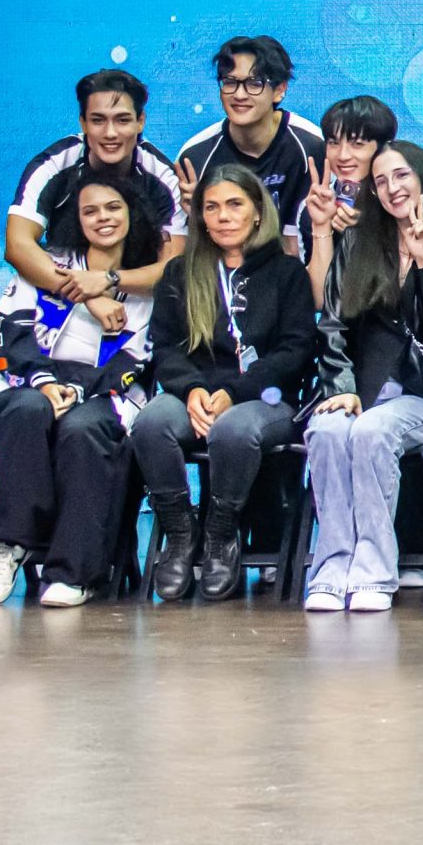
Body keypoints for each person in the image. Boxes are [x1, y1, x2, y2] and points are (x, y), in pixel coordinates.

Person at [0, 167, 163, 607]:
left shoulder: (145, 281)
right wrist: (44, 382)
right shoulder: (47, 266)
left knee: (82, 428)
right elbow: (11, 328)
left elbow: (140, 356)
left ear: (132, 213)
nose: (103, 218)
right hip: (28, 382)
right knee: (27, 410)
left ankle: (74, 573)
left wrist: (75, 392)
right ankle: (11, 544)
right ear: (76, 218)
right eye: (90, 211)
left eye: (113, 208)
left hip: (108, 394)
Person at [305, 140, 423, 613]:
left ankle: (374, 571)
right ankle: (332, 566)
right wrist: (342, 389)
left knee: (372, 431)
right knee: (326, 429)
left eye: (401, 175)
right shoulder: (357, 243)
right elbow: (332, 325)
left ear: (422, 178)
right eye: (380, 181)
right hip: (359, 391)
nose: (392, 188)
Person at [133, 165, 319, 602]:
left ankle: (221, 535)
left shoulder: (287, 272)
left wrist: (235, 393)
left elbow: (295, 351)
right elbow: (165, 347)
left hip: (265, 398)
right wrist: (192, 389)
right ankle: (181, 535)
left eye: (235, 204)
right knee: (150, 424)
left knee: (233, 430)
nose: (223, 216)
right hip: (193, 395)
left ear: (258, 212)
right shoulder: (180, 272)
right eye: (211, 207)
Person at [4, 67, 185, 333]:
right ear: (83, 123)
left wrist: (108, 280)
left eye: (122, 120)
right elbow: (17, 245)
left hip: (134, 298)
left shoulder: (161, 177)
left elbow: (172, 268)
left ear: (140, 122)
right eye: (98, 120)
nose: (110, 133)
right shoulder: (55, 164)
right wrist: (87, 294)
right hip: (62, 292)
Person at [173, 35, 326, 255]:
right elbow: (188, 250)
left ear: (279, 90)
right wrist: (199, 214)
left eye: (254, 84)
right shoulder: (196, 156)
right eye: (230, 82)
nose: (239, 94)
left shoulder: (311, 145)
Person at [302, 94, 398, 308]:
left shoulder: (402, 201)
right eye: (334, 143)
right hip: (341, 326)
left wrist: (365, 230)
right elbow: (320, 301)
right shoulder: (317, 206)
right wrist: (322, 225)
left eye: (357, 144)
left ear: (384, 147)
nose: (343, 155)